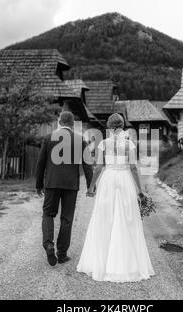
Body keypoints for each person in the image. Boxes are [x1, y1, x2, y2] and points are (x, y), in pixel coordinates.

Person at [77, 113, 155, 282]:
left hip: (108, 180)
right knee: (127, 219)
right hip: (125, 179)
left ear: (109, 127)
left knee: (104, 218)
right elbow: (133, 168)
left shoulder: (103, 144)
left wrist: (91, 187)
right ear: (123, 126)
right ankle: (127, 264)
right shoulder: (130, 145)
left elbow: (98, 168)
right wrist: (140, 191)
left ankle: (102, 263)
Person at [36, 111, 93, 266]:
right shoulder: (80, 140)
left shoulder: (48, 138)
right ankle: (61, 254)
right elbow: (87, 165)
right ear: (72, 124)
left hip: (52, 183)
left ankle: (48, 244)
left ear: (60, 123)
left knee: (48, 213)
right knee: (66, 219)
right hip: (70, 185)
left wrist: (38, 184)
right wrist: (90, 186)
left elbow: (40, 163)